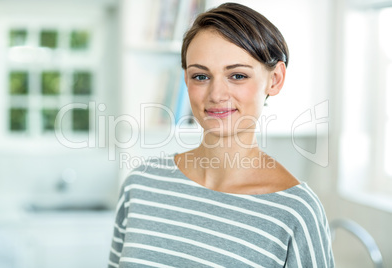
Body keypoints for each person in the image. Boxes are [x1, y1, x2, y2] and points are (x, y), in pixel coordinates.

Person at [108, 2, 334, 267]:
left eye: (237, 75)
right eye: (201, 76)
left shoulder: (296, 211)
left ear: (275, 80)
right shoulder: (141, 185)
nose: (216, 95)